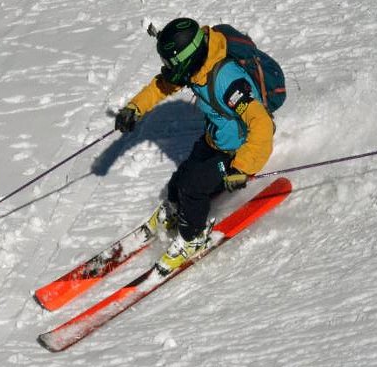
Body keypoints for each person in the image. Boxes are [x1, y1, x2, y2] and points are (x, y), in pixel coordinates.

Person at [114, 17, 275, 274]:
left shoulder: (226, 80)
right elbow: (161, 85)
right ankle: (178, 213)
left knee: (193, 187)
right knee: (179, 182)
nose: (167, 67)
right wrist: (135, 108)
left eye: (170, 62)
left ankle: (193, 237)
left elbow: (262, 123)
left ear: (186, 58)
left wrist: (243, 166)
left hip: (239, 150)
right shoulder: (197, 66)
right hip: (216, 139)